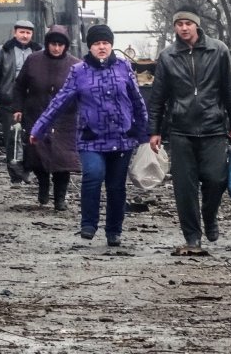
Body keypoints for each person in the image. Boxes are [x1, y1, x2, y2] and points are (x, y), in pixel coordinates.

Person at [30, 25, 148, 246]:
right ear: (90, 47)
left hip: (122, 138)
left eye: (105, 43)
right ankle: (89, 224)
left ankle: (114, 230)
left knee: (116, 186)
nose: (101, 47)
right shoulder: (79, 71)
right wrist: (39, 128)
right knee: (93, 175)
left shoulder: (124, 67)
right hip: (91, 137)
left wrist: (145, 133)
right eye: (96, 43)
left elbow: (137, 101)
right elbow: (59, 102)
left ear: (111, 45)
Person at [146, 6, 231, 251]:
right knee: (184, 188)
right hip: (180, 129)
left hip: (213, 127)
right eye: (179, 24)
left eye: (188, 23)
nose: (184, 28)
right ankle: (192, 237)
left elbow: (230, 90)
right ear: (175, 28)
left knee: (216, 179)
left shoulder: (218, 50)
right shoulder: (168, 56)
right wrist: (155, 130)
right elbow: (158, 97)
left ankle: (209, 216)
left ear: (196, 25)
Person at [13, 25, 81, 210]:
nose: (56, 48)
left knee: (63, 159)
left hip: (65, 119)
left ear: (66, 46)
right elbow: (19, 86)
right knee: (38, 155)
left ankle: (60, 198)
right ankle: (43, 187)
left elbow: (84, 92)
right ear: (47, 44)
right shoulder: (33, 60)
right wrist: (18, 107)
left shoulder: (75, 65)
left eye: (60, 44)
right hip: (37, 113)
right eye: (53, 44)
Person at [0, 20, 42, 184]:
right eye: (22, 32)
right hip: (8, 102)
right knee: (12, 138)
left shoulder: (38, 51)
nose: (25, 36)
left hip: (32, 102)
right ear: (15, 33)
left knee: (30, 138)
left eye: (28, 33)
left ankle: (27, 169)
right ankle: (16, 175)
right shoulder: (3, 51)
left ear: (32, 35)